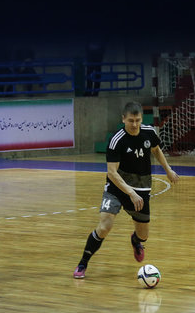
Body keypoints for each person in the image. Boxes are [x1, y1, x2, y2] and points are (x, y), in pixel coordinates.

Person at [73, 101, 180, 279]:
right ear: (123, 119)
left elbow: (156, 149)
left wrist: (168, 170)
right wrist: (130, 192)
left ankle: (136, 241)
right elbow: (112, 172)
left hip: (142, 188)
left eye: (137, 120)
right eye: (131, 120)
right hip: (117, 189)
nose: (135, 124)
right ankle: (83, 263)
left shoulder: (149, 132)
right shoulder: (117, 140)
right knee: (105, 226)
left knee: (143, 235)